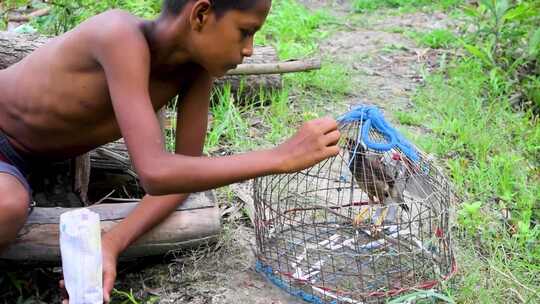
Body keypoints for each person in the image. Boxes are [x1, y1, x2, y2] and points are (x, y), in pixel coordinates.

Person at [0, 0, 340, 302]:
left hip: (21, 157)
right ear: (201, 14)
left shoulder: (194, 73)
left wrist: (112, 244)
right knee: (7, 206)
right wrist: (278, 157)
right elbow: (156, 172)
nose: (249, 49)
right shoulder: (119, 35)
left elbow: (182, 176)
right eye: (245, 32)